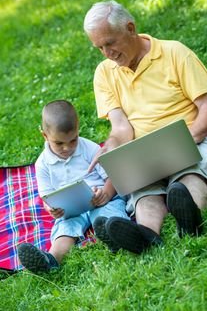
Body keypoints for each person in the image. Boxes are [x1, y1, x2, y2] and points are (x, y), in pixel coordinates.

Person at [83, 0, 207, 254]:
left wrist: (187, 140)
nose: (107, 53)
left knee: (189, 176)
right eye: (99, 47)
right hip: (145, 153)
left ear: (130, 28)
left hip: (191, 137)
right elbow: (120, 129)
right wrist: (111, 147)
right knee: (143, 191)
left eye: (111, 42)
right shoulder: (104, 73)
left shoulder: (174, 53)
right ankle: (147, 234)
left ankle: (190, 218)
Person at [17, 100, 132, 273]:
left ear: (78, 130)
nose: (67, 148)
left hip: (99, 199)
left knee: (109, 214)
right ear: (45, 136)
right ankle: (51, 259)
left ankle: (114, 237)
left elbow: (112, 176)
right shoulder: (42, 164)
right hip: (70, 210)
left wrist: (106, 194)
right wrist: (52, 209)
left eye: (73, 141)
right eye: (59, 143)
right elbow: (47, 197)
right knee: (65, 229)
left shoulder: (89, 148)